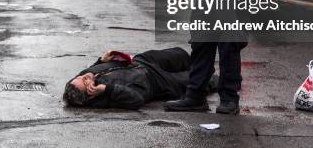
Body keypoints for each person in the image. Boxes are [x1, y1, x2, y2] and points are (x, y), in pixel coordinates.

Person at [63, 47, 218, 109]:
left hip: (142, 61)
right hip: (156, 81)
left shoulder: (81, 78)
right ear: (90, 93)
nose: (84, 76)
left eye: (79, 76)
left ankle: (203, 63)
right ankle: (222, 78)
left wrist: (101, 61)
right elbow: (136, 100)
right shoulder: (103, 97)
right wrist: (108, 89)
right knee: (201, 79)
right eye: (84, 81)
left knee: (180, 54)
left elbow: (89, 72)